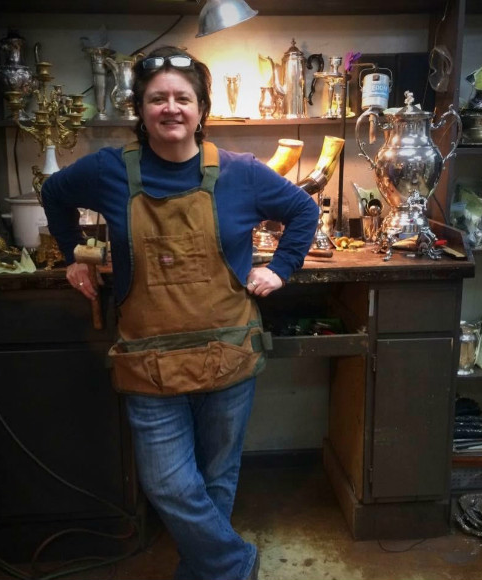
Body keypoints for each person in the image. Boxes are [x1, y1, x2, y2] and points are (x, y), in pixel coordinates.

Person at [42, 45, 319, 580]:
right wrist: (74, 254)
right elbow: (55, 192)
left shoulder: (240, 172)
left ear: (201, 108)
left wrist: (281, 268)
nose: (171, 108)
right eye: (157, 99)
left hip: (228, 353)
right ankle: (235, 563)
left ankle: (203, 573)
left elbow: (303, 210)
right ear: (141, 110)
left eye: (182, 98)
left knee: (217, 476)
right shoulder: (109, 170)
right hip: (149, 358)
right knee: (168, 481)